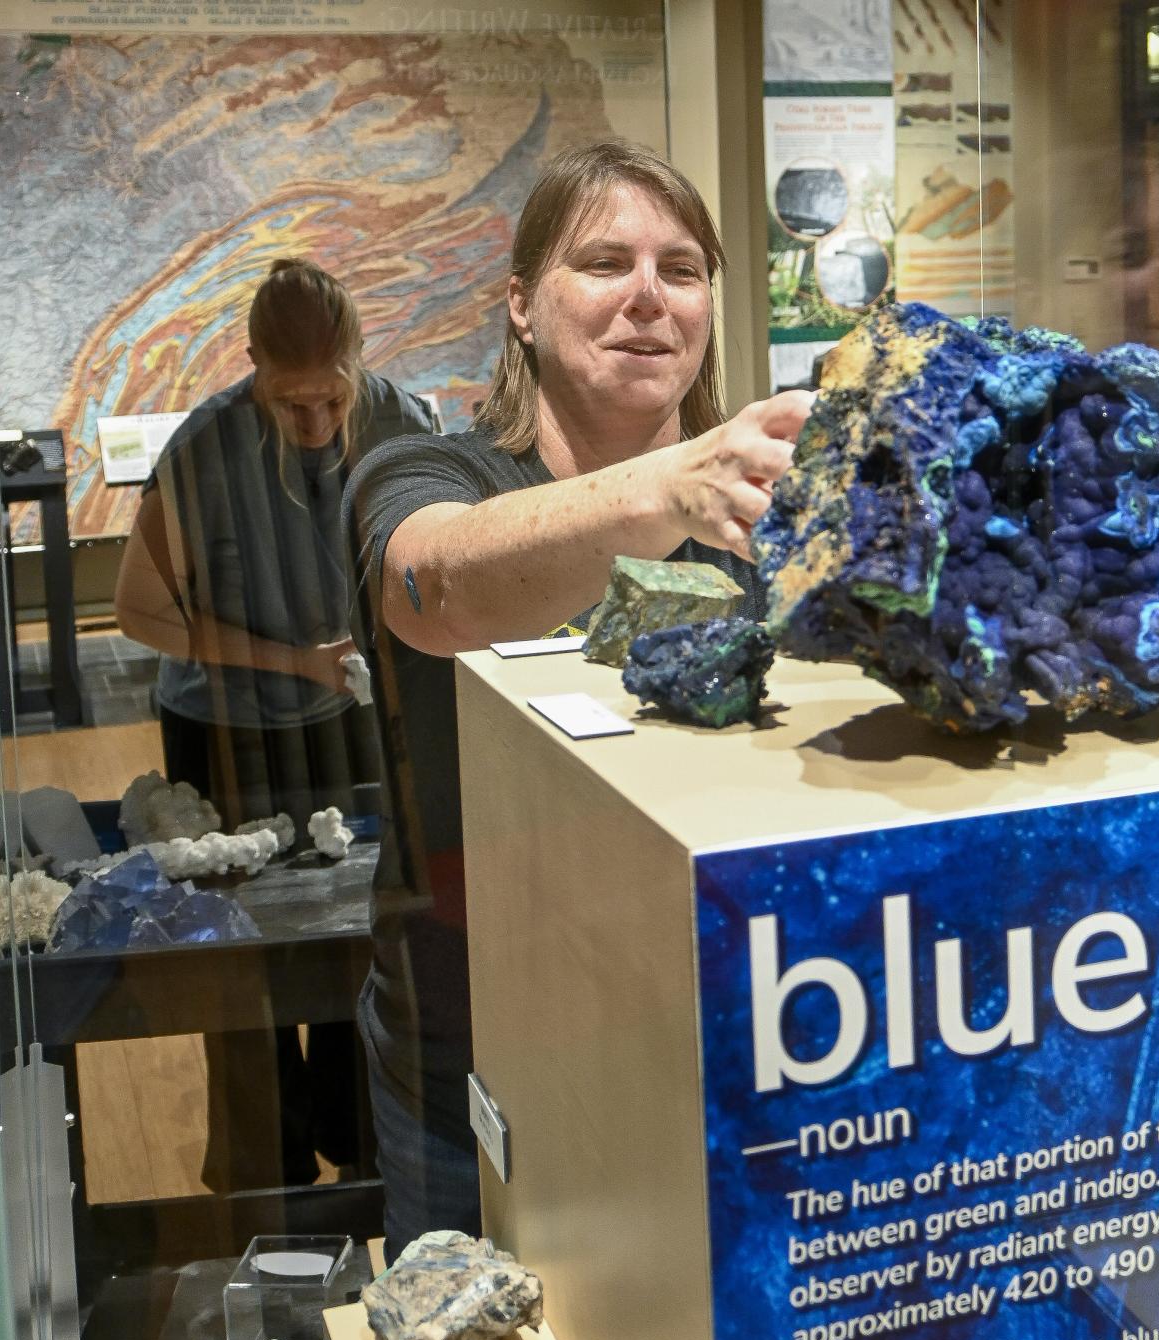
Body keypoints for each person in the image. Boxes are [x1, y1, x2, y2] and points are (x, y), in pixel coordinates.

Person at [344, 140, 813, 1254]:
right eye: (604, 262)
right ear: (519, 304)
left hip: (719, 1049)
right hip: (477, 1059)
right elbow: (437, 586)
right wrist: (664, 490)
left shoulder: (770, 513)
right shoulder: (425, 472)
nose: (647, 295)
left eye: (682, 268)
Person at [114, 257, 436, 1189]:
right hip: (223, 723)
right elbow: (141, 612)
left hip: (349, 709)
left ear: (359, 361)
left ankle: (363, 1152)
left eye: (332, 400)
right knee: (239, 962)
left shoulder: (403, 423)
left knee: (354, 939)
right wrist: (289, 659)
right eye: (291, 402)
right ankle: (265, 1181)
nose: (316, 425)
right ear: (250, 362)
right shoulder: (205, 448)